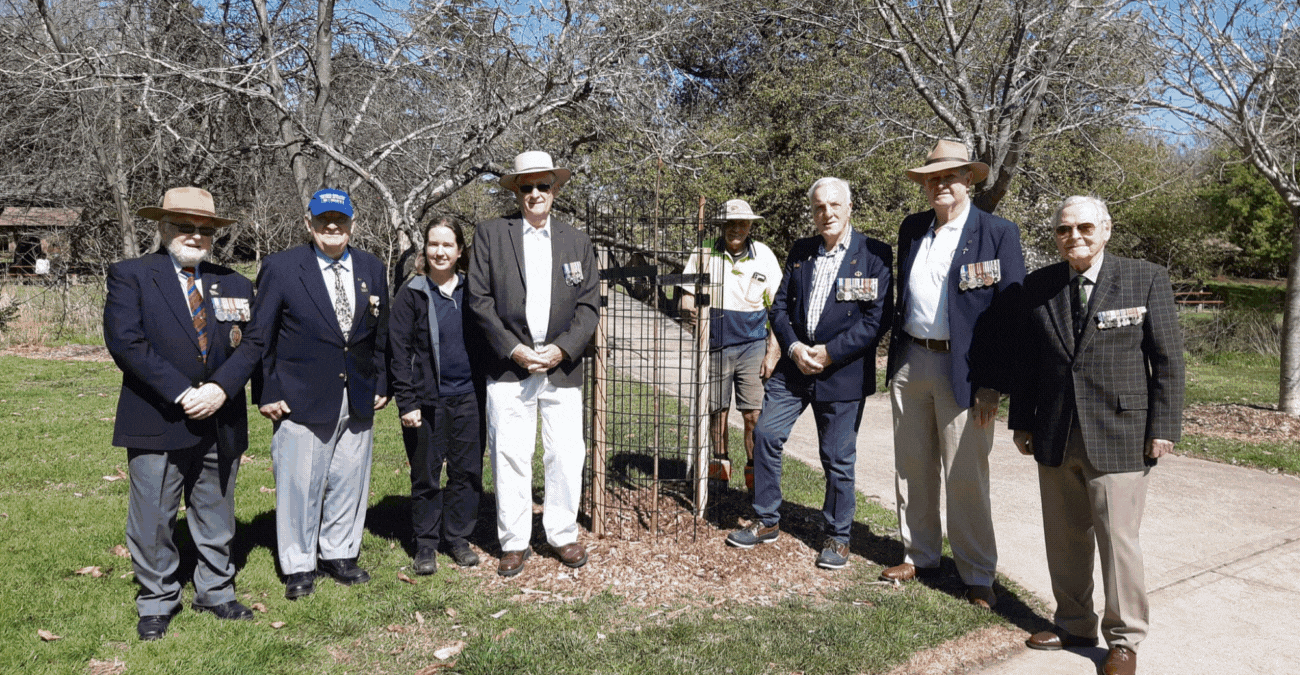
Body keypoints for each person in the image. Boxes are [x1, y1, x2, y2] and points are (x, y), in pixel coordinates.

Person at [1010, 196, 1184, 675]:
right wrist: (1022, 420)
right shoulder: (1039, 284)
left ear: (1105, 229)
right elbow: (1029, 362)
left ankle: (1124, 640)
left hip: (1121, 432)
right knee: (1064, 537)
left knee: (1117, 540)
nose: (1074, 237)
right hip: (1056, 430)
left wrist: (1164, 428)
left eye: (1084, 227)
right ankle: (1073, 623)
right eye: (1064, 230)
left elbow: (1167, 361)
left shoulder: (1144, 277)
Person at [103, 187, 260, 640]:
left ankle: (216, 589)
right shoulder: (131, 275)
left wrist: (221, 389)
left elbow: (251, 344)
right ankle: (157, 599)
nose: (195, 236)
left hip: (219, 414)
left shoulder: (233, 281)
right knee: (153, 515)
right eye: (184, 226)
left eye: (204, 229)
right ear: (163, 228)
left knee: (216, 510)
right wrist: (182, 393)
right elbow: (126, 341)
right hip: (157, 414)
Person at [883, 139, 1026, 608]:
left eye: (949, 176)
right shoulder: (912, 229)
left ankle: (977, 573)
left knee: (966, 473)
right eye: (931, 178)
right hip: (912, 358)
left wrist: (993, 383)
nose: (940, 184)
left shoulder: (998, 233)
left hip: (967, 371)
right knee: (912, 466)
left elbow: (1012, 316)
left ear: (968, 179)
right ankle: (919, 554)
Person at [725, 177, 892, 570]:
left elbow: (876, 320)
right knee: (765, 433)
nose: (827, 213)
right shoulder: (802, 251)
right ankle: (766, 520)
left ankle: (838, 537)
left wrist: (830, 353)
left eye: (834, 205)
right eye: (819, 207)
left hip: (842, 373)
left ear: (849, 207)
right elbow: (779, 309)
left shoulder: (874, 254)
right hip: (794, 369)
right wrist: (796, 348)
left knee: (836, 457)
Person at [250, 188, 389, 599]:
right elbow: (261, 337)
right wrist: (266, 391)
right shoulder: (282, 267)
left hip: (359, 391)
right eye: (324, 220)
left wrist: (383, 381)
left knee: (349, 477)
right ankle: (298, 564)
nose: (333, 227)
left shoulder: (370, 266)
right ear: (309, 224)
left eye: (340, 220)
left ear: (352, 224)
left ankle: (339, 553)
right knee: (300, 482)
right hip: (300, 395)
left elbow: (380, 335)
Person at [466, 151, 599, 578]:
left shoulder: (576, 240)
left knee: (565, 453)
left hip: (561, 366)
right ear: (517, 192)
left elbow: (589, 306)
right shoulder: (490, 235)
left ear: (555, 190)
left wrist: (562, 349)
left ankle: (561, 533)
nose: (536, 194)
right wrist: (513, 349)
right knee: (510, 452)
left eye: (544, 186)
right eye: (527, 187)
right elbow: (479, 301)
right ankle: (514, 541)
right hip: (511, 366)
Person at [388, 219, 484, 574]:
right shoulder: (411, 293)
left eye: (448, 245)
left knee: (467, 472)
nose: (440, 252)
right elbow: (397, 352)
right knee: (426, 474)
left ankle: (458, 538)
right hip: (428, 401)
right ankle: (426, 544)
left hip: (469, 398)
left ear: (460, 251)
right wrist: (407, 402)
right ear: (424, 250)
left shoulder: (474, 292)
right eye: (433, 244)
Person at [679, 199, 782, 490]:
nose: (736, 229)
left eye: (742, 223)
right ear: (721, 225)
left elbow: (778, 309)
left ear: (750, 226)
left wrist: (772, 354)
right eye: (730, 223)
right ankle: (719, 469)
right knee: (716, 410)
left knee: (754, 414)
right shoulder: (703, 253)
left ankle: (755, 476)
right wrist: (695, 319)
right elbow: (685, 297)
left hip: (753, 345)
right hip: (715, 344)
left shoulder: (764, 256)